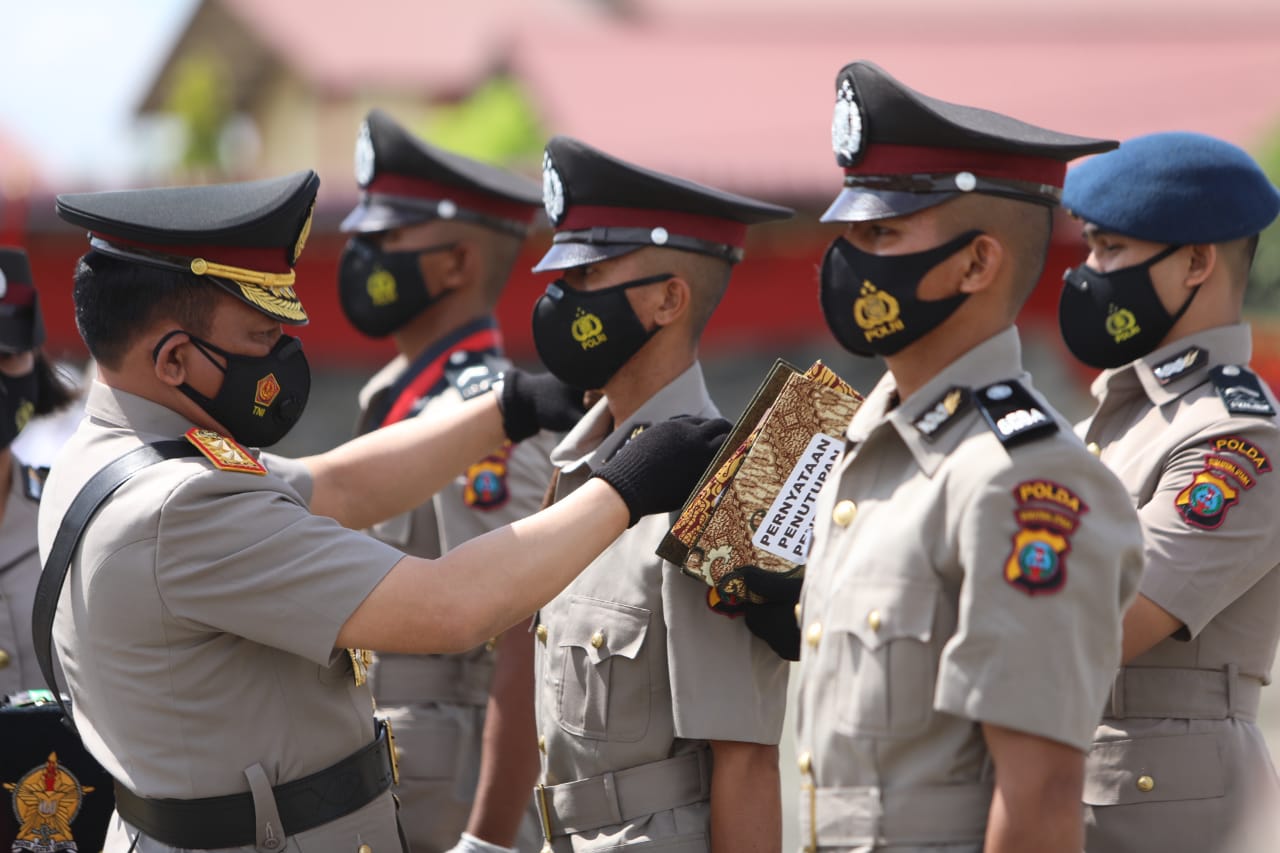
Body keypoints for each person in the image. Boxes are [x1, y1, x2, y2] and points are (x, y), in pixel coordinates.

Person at [37, 170, 730, 853]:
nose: (282, 353)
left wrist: (508, 406)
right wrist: (627, 484)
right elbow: (449, 607)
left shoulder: (107, 458)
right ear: (175, 360)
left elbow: (335, 485)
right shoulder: (180, 505)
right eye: (260, 336)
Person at [792, 61, 1146, 852]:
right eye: (848, 232)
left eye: (881, 233)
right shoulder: (863, 451)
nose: (849, 260)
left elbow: (1040, 800)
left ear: (977, 264)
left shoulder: (1022, 477)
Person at [465, 136, 794, 853]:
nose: (558, 299)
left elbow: (746, 761)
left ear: (670, 299)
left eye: (589, 275)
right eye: (561, 273)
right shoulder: (576, 462)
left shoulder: (730, 478)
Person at [1055, 131, 1280, 853]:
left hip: (1170, 803)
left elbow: (1108, 619)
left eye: (1112, 250)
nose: (1090, 273)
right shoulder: (1117, 415)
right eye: (1090, 248)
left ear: (1195, 262)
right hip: (1087, 780)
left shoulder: (1236, 435)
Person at [337, 108, 554, 853]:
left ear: (458, 263)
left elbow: (519, 634)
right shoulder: (392, 397)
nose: (363, 255)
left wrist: (489, 839)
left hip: (454, 795)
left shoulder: (487, 416)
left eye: (388, 240)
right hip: (388, 776)